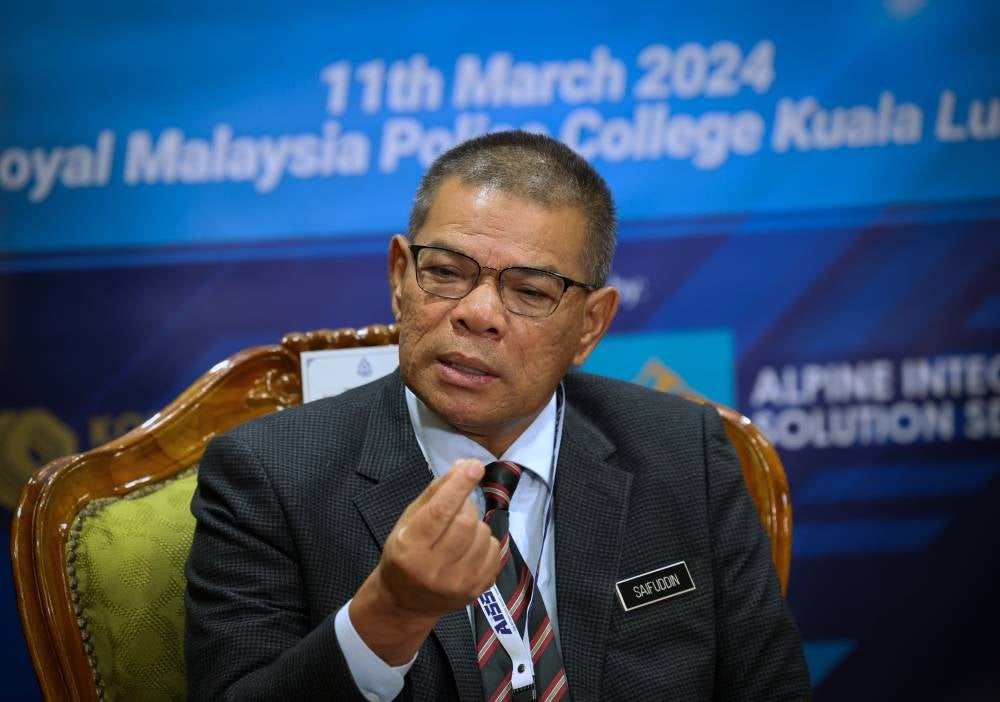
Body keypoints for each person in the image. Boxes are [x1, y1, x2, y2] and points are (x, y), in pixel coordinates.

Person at [185, 131, 810, 701]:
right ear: (400, 276)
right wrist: (388, 614)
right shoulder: (268, 475)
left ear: (590, 325)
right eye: (447, 273)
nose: (478, 312)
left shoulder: (685, 454)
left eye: (530, 292)